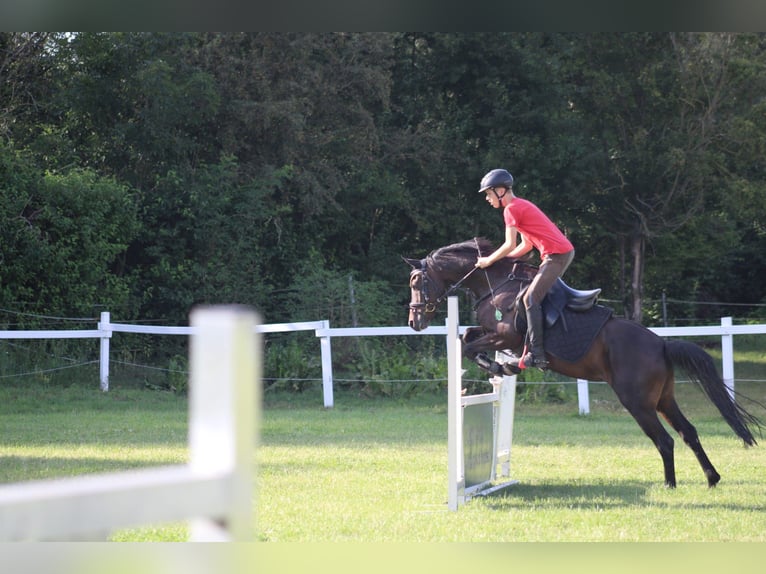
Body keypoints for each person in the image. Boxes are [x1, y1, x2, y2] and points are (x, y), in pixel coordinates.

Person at [474, 168, 574, 369]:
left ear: (500, 190)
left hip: (557, 256)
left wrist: (489, 261)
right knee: (528, 297)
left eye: (488, 193)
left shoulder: (511, 209)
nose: (487, 198)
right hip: (557, 254)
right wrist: (501, 260)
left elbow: (509, 244)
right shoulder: (520, 206)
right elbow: (525, 246)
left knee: (530, 299)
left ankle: (538, 355)